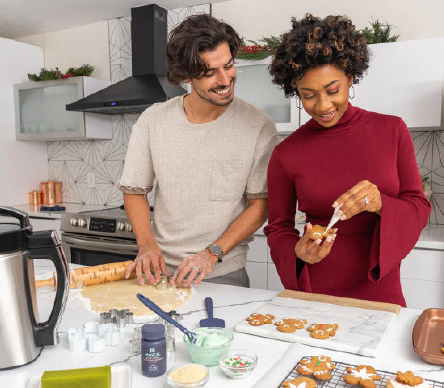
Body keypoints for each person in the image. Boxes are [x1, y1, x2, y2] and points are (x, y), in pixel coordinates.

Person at [264, 14, 431, 306]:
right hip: (314, 291)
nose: (323, 105)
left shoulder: (392, 130)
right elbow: (278, 227)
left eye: (333, 91)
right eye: (308, 95)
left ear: (350, 77)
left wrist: (379, 203)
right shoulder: (286, 152)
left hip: (379, 288)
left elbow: (418, 205)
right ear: (296, 92)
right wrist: (298, 253)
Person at [118, 14, 278, 288]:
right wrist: (146, 244)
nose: (225, 79)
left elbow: (260, 205)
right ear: (187, 77)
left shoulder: (258, 126)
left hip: (223, 272)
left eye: (228, 66)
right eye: (209, 73)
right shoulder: (153, 120)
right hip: (159, 273)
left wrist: (210, 253)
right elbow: (134, 191)